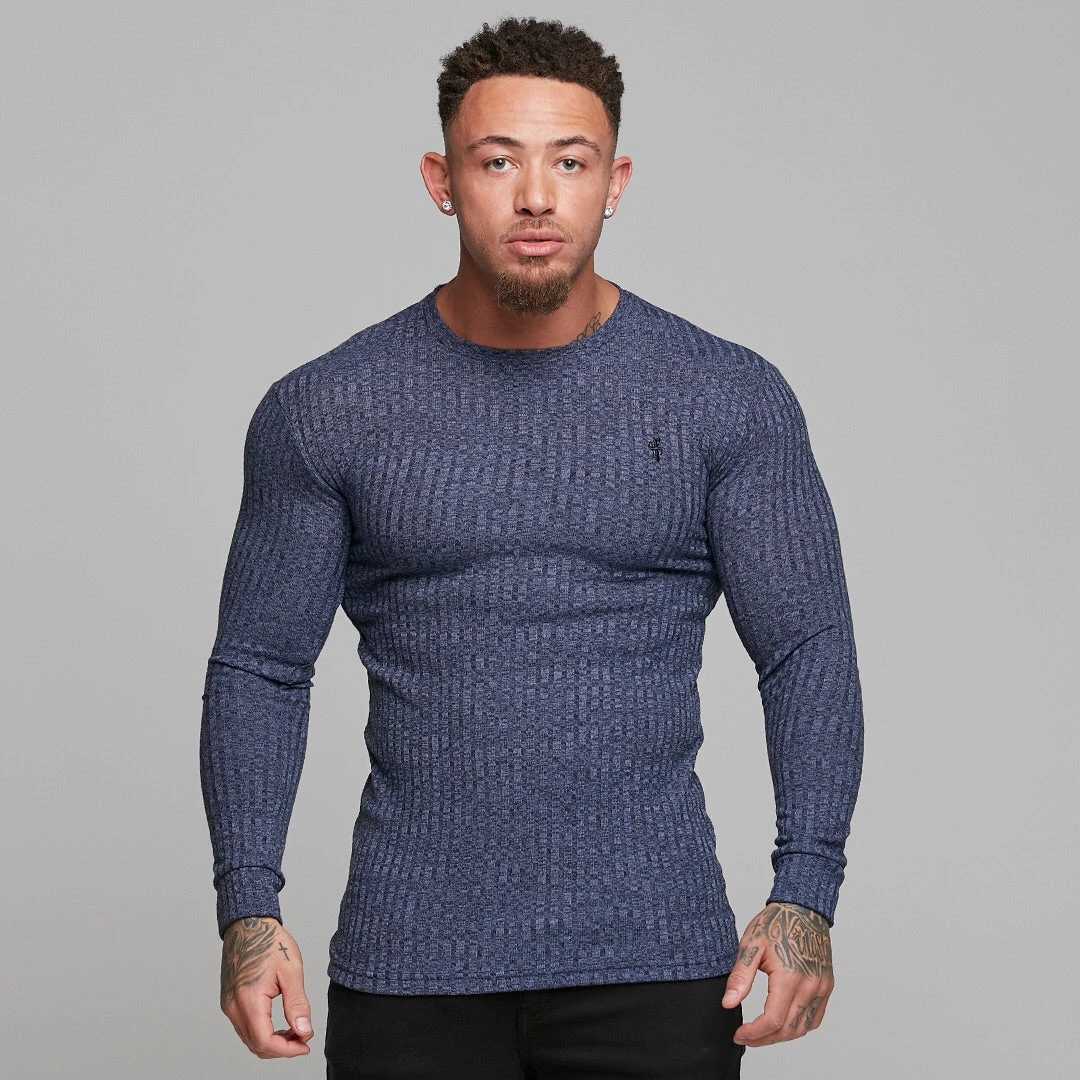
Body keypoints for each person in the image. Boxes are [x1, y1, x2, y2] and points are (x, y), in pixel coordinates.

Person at [200, 16, 864, 1079]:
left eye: (571, 161)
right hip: (409, 967)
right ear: (442, 180)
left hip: (657, 966)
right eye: (498, 161)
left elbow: (807, 649)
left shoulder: (724, 396)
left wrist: (807, 894)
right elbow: (261, 665)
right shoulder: (328, 408)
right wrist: (248, 904)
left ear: (616, 181)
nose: (538, 197)